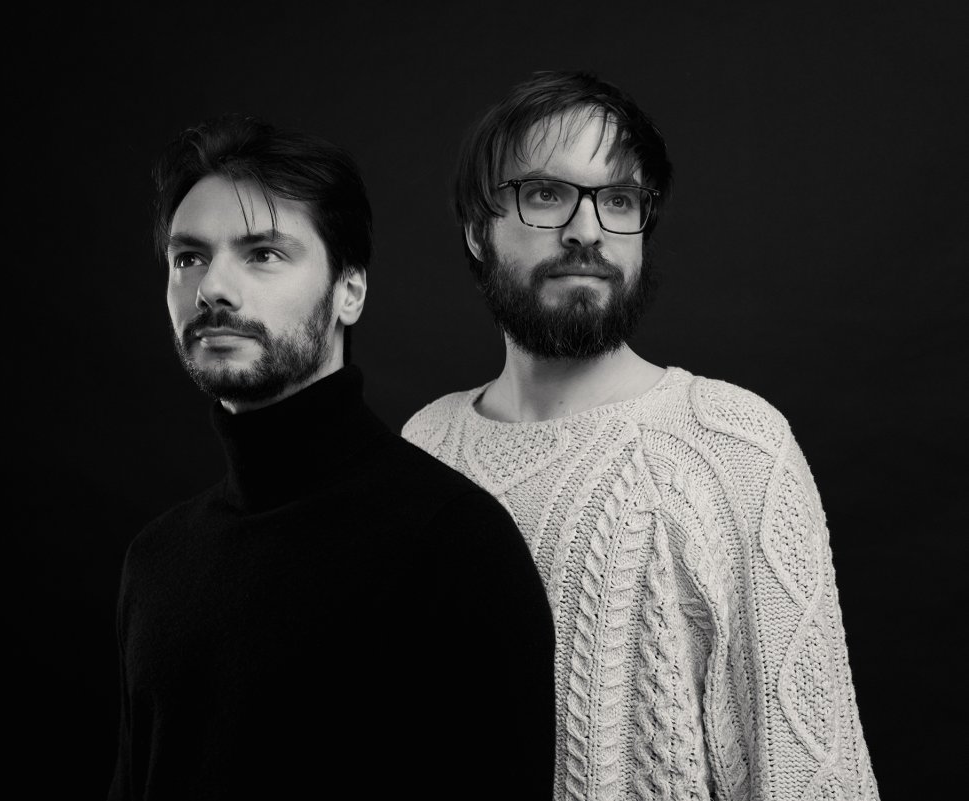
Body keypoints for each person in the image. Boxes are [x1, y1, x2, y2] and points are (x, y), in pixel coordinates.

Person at [403, 71, 879, 800]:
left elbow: (818, 776)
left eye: (619, 200)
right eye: (547, 193)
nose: (587, 231)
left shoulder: (735, 446)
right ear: (477, 228)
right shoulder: (423, 446)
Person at [108, 115, 556, 800]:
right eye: (188, 257)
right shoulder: (157, 561)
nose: (212, 288)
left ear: (350, 290)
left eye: (263, 253)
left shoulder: (454, 543)